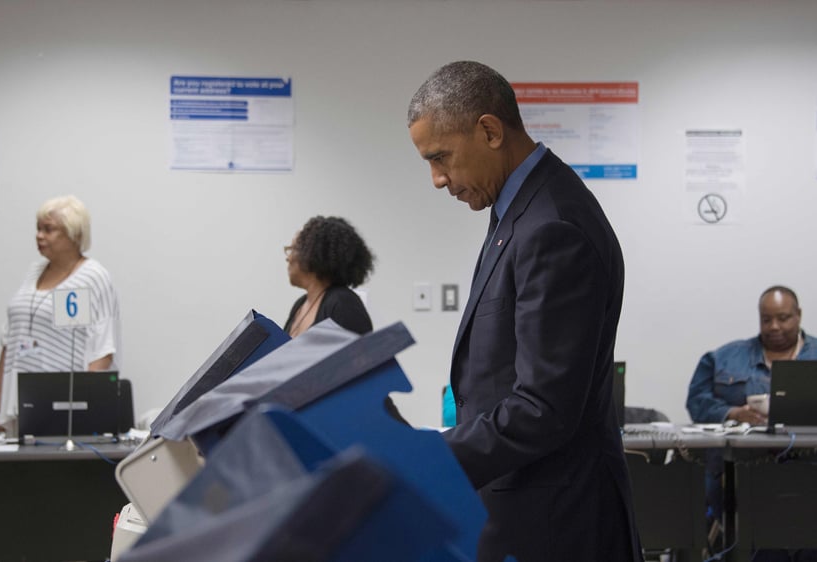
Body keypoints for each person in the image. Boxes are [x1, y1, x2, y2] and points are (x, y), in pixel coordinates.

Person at [407, 61, 641, 561]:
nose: (437, 179)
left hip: (559, 524)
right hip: (527, 511)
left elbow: (543, 407)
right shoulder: (517, 213)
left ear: (489, 131)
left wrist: (428, 458)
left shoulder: (551, 226)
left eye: (441, 157)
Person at [687, 286, 817, 561]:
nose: (774, 327)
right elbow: (696, 400)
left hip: (808, 473)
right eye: (766, 319)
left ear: (799, 315)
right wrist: (732, 413)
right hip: (739, 477)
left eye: (783, 318)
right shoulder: (724, 358)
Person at [0, 195, 121, 435]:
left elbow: (103, 351)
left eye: (48, 229)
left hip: (62, 406)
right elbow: (9, 339)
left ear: (74, 234)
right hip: (21, 399)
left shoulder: (92, 277)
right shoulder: (34, 272)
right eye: (38, 228)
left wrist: (81, 404)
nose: (39, 235)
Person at [283, 216, 407, 424]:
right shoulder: (300, 305)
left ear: (312, 253)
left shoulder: (343, 304)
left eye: (292, 249)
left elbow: (356, 381)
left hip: (354, 424)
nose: (287, 258)